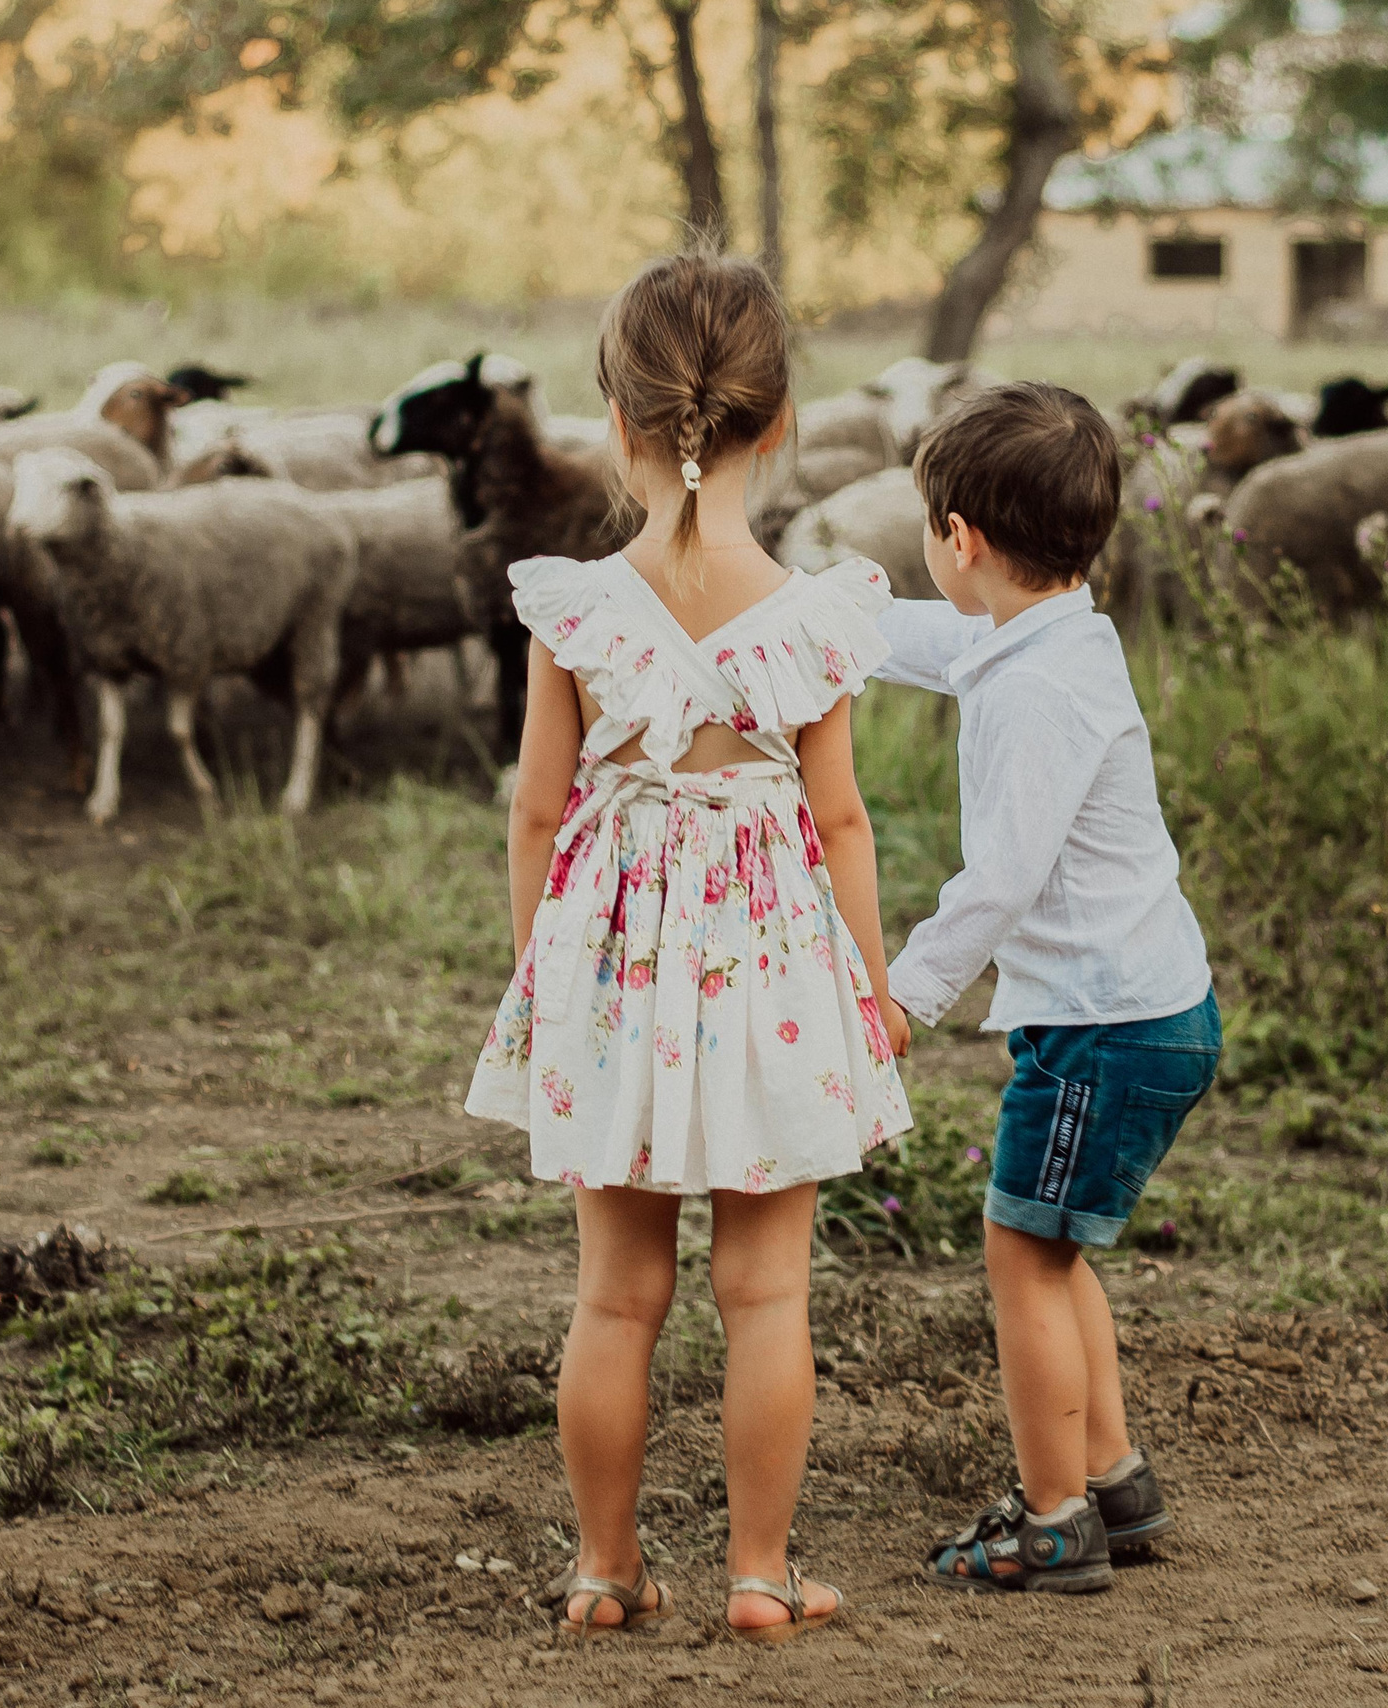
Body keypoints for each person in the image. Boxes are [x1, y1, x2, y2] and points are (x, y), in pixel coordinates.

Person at [464, 249, 914, 1642]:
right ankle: (760, 1575)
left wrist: (543, 980)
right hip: (772, 973)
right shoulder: (819, 616)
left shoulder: (574, 609)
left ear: (617, 419)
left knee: (614, 1300)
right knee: (766, 1291)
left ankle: (605, 1569)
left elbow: (537, 809)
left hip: (611, 974)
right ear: (778, 423)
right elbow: (839, 821)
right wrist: (873, 990)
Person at [868, 381, 1219, 1594]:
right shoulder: (1059, 635)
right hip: (1142, 1009)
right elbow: (941, 642)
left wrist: (905, 989)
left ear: (958, 537)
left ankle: (1053, 1518)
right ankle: (1112, 1478)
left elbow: (1002, 878)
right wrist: (820, 614)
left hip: (1104, 1028)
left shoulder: (1031, 691)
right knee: (1053, 1250)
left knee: (1020, 1254)